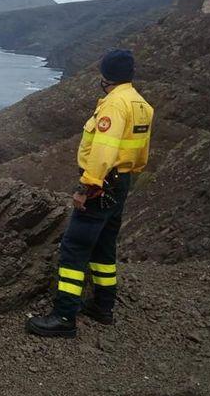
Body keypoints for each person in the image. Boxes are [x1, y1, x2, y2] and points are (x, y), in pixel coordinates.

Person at [26, 49, 154, 338]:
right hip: (123, 182)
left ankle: (64, 316)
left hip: (102, 184)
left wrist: (88, 186)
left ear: (106, 76)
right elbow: (142, 152)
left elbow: (103, 151)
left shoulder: (114, 105)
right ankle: (103, 306)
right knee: (104, 246)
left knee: (74, 247)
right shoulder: (142, 104)